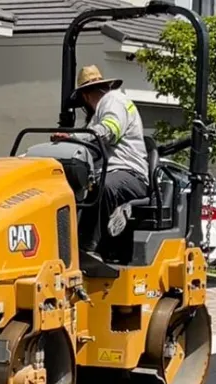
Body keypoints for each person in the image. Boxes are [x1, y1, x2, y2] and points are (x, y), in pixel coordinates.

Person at [52, 65, 151, 260]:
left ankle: (88, 249)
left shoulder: (113, 100)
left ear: (86, 96)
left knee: (104, 187)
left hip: (130, 175)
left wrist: (72, 136)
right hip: (108, 172)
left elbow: (109, 130)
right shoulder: (96, 117)